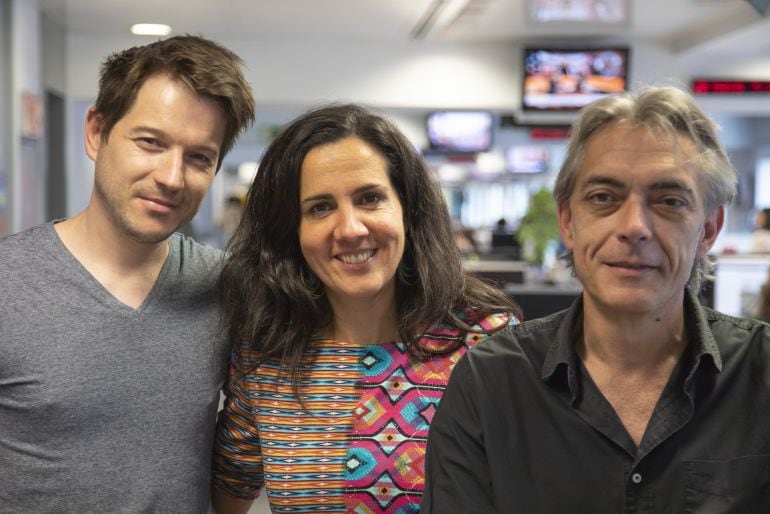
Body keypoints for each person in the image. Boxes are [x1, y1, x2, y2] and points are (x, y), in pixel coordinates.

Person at [422, 86, 770, 512]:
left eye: (669, 201)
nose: (633, 227)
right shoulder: (491, 383)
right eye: (603, 198)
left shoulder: (761, 373)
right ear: (568, 221)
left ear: (709, 230)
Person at [210, 104, 519, 513]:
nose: (351, 229)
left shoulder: (485, 343)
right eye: (319, 207)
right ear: (291, 230)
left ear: (407, 209)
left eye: (370, 198)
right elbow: (227, 495)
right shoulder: (266, 353)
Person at [0, 35, 255, 512]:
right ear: (96, 132)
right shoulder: (8, 283)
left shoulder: (228, 288)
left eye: (199, 157)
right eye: (150, 143)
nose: (172, 177)